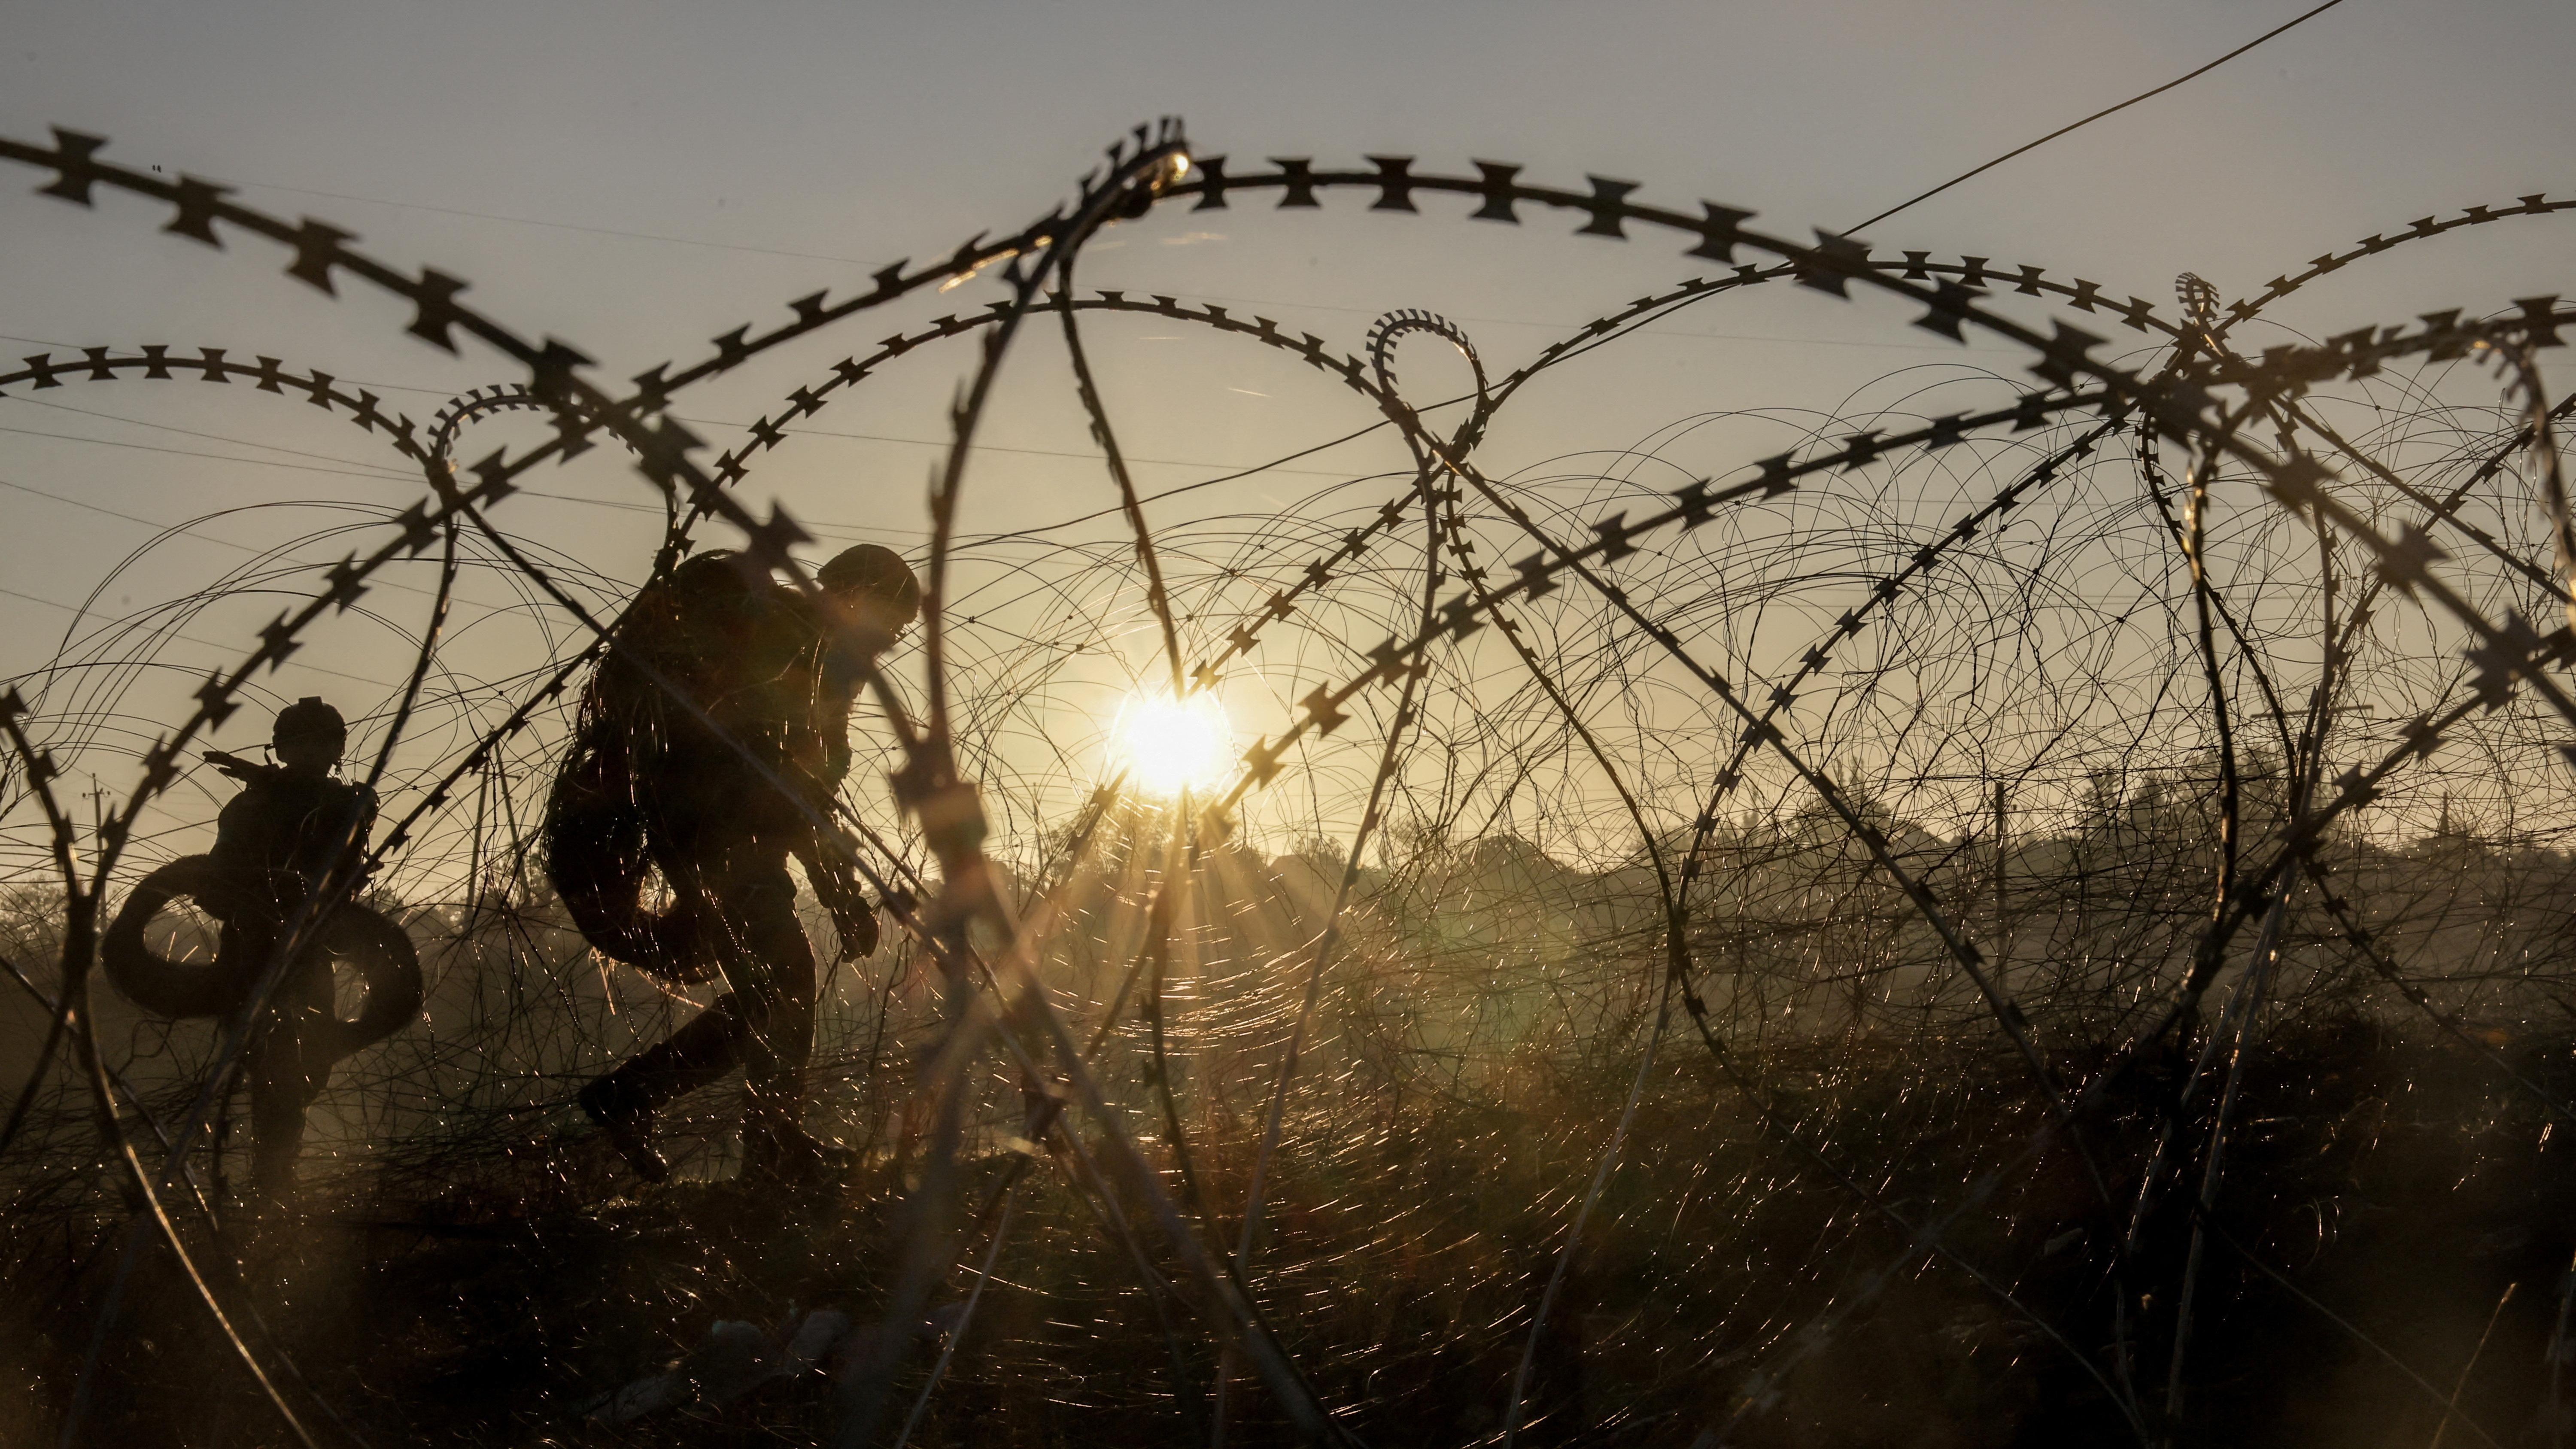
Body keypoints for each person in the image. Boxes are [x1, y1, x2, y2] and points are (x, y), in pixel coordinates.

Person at [560, 544, 917, 1184]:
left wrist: (841, 893)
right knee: (785, 976)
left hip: (715, 832)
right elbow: (801, 786)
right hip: (718, 835)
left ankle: (638, 1098)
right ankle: (767, 1150)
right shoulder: (797, 640)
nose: (890, 640)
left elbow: (806, 791)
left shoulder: (808, 643)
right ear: (857, 597)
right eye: (889, 622)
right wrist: (840, 896)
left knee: (773, 986)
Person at [200, 697, 380, 1209]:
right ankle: (270, 1181)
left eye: (320, 744)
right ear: (282, 749)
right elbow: (215, 888)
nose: (312, 754)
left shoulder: (343, 805)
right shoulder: (255, 806)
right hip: (257, 953)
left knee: (302, 1068)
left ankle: (274, 1178)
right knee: (273, 1069)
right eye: (302, 744)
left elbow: (345, 877)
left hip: (303, 952)